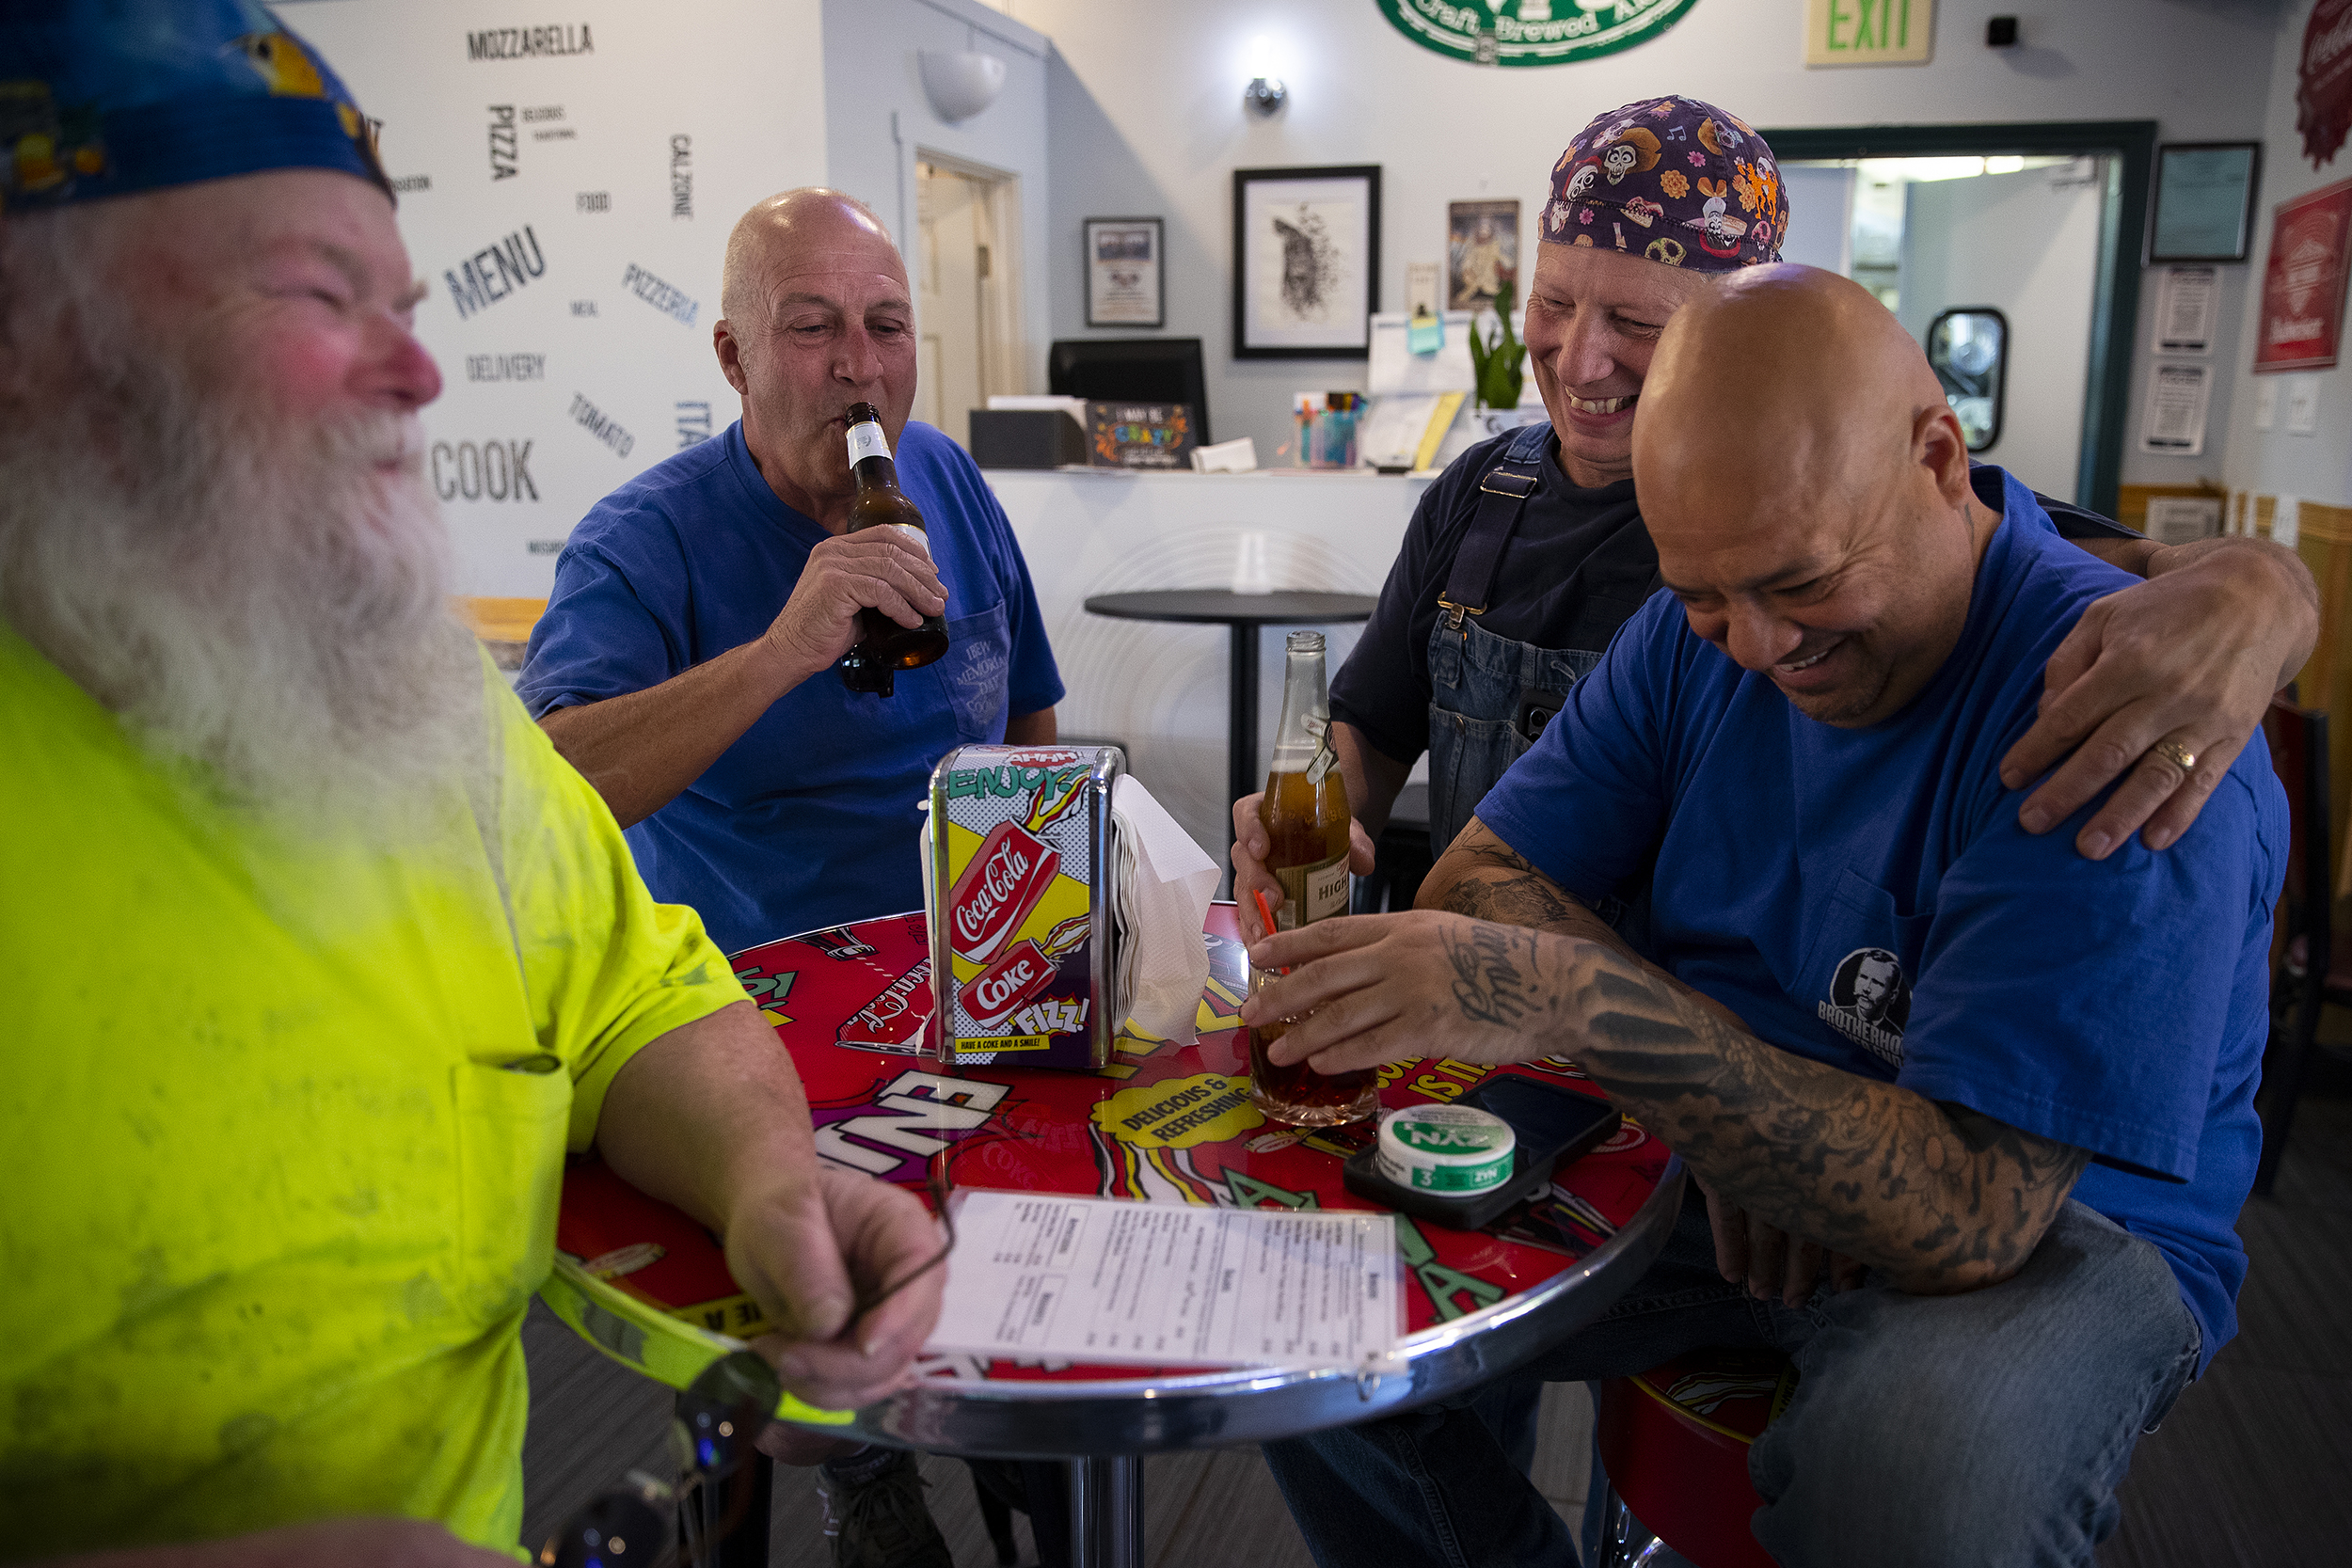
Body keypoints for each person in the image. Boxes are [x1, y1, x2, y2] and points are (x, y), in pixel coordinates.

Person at [0, 6, 942, 1560]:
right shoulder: (640, 545)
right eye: (318, 293)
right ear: (38, 339)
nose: (422, 368)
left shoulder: (415, 696)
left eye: (410, 300)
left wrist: (770, 1174)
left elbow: (636, 1000)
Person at [1244, 266, 2284, 1567]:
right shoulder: (1705, 619)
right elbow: (1479, 873)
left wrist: (1603, 1013)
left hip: (2064, 1213)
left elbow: (1968, 1206)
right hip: (1708, 1150)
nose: (1753, 643)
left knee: (1920, 1482)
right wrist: (1743, 1117)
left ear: (1939, 458)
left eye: (1799, 584)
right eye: (1702, 596)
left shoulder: (2113, 704)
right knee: (1304, 1298)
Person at [1233, 94, 2314, 943]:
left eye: (1635, 320)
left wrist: (2269, 594)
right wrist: (1310, 804)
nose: (1580, 356)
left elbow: (2159, 571)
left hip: (1729, 1069)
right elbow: (1372, 725)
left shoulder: (1847, 496)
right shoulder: (1480, 492)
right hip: (1494, 1026)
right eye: (1556, 303)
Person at [518, 188, 1063, 958]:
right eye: (812, 327)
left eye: (888, 327)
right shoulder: (638, 542)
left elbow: (1028, 716)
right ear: (735, 358)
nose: (861, 366)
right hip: (757, 995)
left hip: (981, 965)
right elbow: (542, 791)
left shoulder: (947, 473)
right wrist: (780, 652)